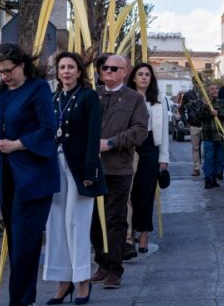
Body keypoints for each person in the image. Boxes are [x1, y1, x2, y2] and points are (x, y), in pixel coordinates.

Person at [0, 43, 59, 306]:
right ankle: (22, 299)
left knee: (25, 245)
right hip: (8, 177)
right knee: (16, 245)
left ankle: (20, 301)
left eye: (8, 70)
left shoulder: (38, 89)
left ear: (22, 65)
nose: (4, 76)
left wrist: (17, 144)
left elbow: (49, 129)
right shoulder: (1, 93)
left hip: (34, 177)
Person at [44, 52, 105, 305]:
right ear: (58, 72)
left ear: (79, 71)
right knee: (55, 225)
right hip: (55, 165)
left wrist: (91, 171)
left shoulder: (89, 97)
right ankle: (63, 281)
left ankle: (82, 280)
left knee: (76, 224)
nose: (66, 71)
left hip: (80, 169)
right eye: (62, 67)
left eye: (71, 67)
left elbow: (93, 136)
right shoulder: (54, 97)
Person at [91, 55, 148, 290]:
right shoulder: (92, 95)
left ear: (125, 72)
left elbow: (140, 130)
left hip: (119, 167)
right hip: (92, 168)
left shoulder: (134, 99)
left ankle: (115, 268)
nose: (109, 71)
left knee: (115, 219)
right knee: (94, 220)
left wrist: (112, 143)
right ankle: (101, 262)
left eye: (114, 68)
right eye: (105, 68)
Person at [127, 63, 170, 252]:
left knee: (146, 194)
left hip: (151, 146)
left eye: (147, 74)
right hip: (129, 147)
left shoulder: (159, 99)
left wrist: (164, 158)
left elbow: (165, 130)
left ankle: (144, 234)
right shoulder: (126, 98)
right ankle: (130, 234)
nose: (144, 77)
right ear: (133, 78)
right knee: (130, 193)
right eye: (140, 74)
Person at [197, 83, 224, 189]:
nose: (214, 90)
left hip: (219, 135)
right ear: (208, 91)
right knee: (209, 158)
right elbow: (200, 116)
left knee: (219, 158)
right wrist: (208, 110)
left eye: (216, 88)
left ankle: (215, 177)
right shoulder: (204, 102)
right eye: (212, 89)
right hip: (208, 135)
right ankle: (208, 178)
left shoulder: (222, 102)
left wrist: (217, 112)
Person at [181, 88, 203, 176]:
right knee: (195, 148)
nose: (197, 84)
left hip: (205, 123)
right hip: (194, 124)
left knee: (209, 147)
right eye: (196, 82)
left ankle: (209, 169)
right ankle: (196, 168)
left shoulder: (205, 92)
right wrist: (185, 121)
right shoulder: (188, 95)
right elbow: (181, 108)